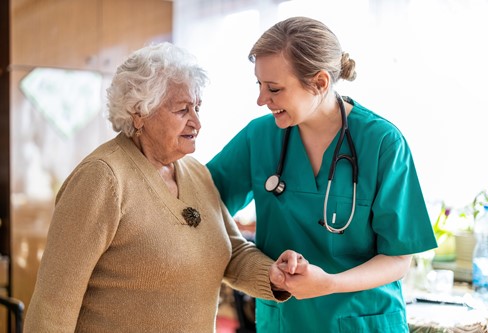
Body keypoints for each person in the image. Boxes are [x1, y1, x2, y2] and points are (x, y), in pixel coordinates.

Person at [24, 42, 306, 333]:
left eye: (197, 108)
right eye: (182, 110)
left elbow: (231, 252)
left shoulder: (196, 173)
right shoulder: (102, 178)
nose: (196, 122)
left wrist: (272, 274)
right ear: (139, 113)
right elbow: (53, 306)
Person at [207, 16, 438, 332]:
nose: (261, 100)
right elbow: (201, 204)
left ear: (319, 83)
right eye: (259, 85)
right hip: (285, 321)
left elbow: (398, 259)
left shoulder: (382, 143)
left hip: (362, 320)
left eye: (274, 88)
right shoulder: (258, 137)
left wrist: (329, 283)